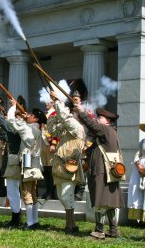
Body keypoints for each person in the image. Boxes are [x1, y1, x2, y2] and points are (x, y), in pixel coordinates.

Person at [75, 106, 124, 239]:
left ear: (107, 121)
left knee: (100, 201)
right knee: (109, 202)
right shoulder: (107, 133)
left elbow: (91, 124)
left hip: (102, 172)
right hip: (107, 172)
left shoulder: (106, 130)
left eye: (100, 118)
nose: (97, 119)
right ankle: (113, 230)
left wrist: (81, 111)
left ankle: (99, 231)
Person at [48, 91, 85, 234]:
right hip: (60, 166)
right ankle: (70, 224)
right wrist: (55, 115)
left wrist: (57, 101)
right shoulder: (66, 130)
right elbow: (50, 129)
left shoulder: (77, 128)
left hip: (70, 165)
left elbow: (66, 118)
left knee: (66, 196)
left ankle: (71, 225)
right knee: (63, 196)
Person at [7, 98, 46, 230]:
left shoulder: (27, 128)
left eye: (31, 115)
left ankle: (30, 223)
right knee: (33, 193)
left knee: (26, 193)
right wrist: (25, 117)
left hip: (27, 163)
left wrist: (13, 107)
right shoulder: (37, 130)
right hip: (35, 164)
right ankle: (34, 221)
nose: (28, 115)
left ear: (35, 119)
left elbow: (10, 121)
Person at [0, 97, 22, 228]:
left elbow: (5, 122)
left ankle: (17, 218)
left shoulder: (18, 128)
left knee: (13, 191)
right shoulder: (18, 127)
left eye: (17, 116)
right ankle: (16, 217)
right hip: (14, 161)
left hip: (15, 162)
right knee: (12, 191)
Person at [127, 123, 145, 223]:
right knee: (137, 190)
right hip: (140, 168)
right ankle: (140, 219)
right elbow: (137, 154)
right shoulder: (142, 141)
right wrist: (139, 166)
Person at [40, 100, 58, 200]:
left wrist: (54, 143)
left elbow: (56, 130)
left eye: (49, 102)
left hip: (51, 144)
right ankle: (48, 191)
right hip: (43, 143)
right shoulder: (45, 114)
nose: (46, 103)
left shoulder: (55, 114)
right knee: (46, 169)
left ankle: (52, 192)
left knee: (51, 170)